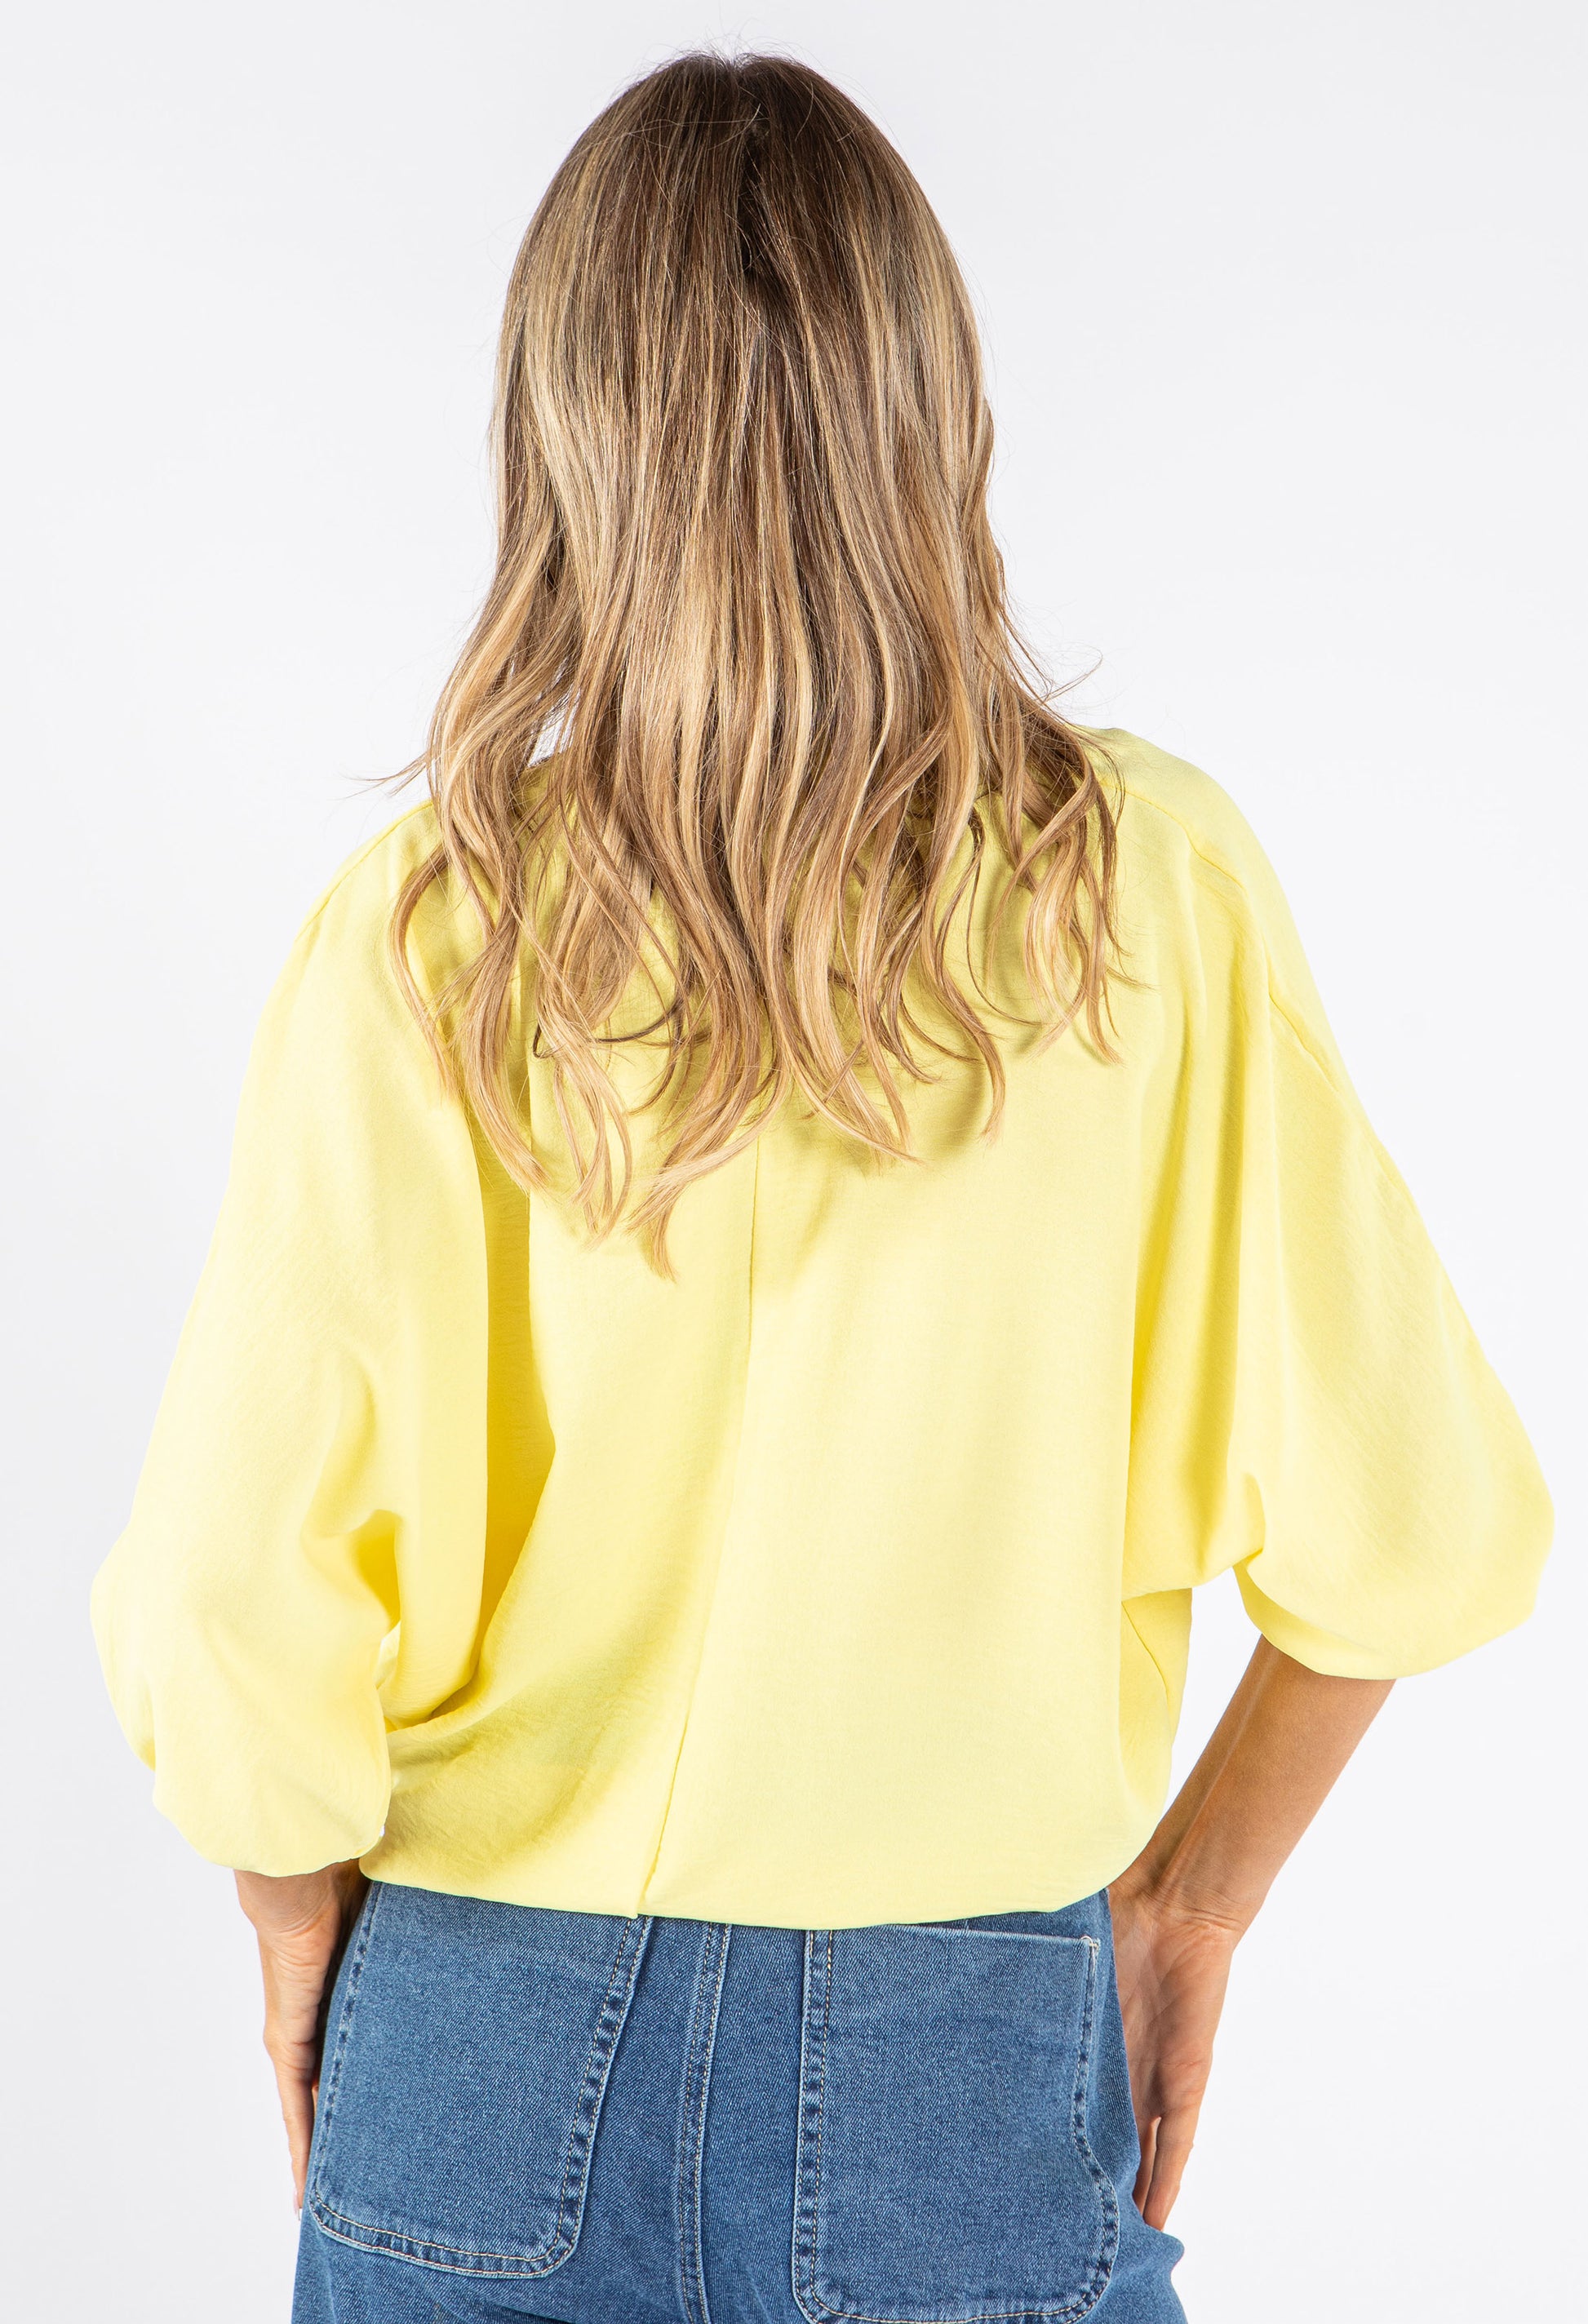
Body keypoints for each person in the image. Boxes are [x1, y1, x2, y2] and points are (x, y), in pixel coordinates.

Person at [91, 51, 1552, 2324]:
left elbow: (225, 1590)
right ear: (928, 408)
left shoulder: (433, 929)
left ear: (562, 435)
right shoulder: (1140, 892)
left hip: (474, 2034)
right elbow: (1416, 1527)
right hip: (963, 2048)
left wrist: (298, 1921)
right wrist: (1192, 1906)